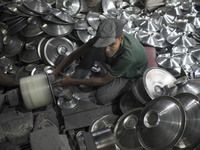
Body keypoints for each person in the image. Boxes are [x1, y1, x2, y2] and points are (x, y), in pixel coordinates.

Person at [53, 18, 148, 105]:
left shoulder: (129, 56)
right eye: (103, 44)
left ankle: (127, 85)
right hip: (115, 63)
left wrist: (71, 81)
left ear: (121, 38)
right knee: (91, 52)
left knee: (101, 97)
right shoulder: (102, 37)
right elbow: (75, 54)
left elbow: (103, 80)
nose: (107, 49)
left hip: (128, 74)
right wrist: (55, 72)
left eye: (111, 45)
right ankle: (70, 89)